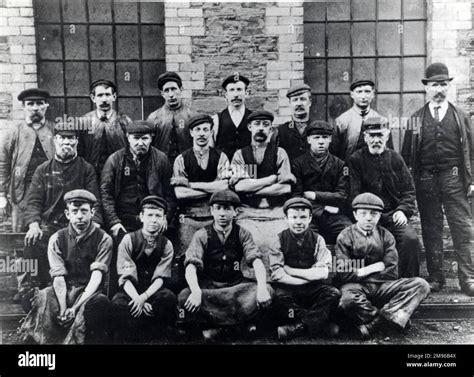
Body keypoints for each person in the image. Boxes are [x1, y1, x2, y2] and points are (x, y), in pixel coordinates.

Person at [402, 62, 474, 296]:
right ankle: (436, 278)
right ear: (427, 88)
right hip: (425, 180)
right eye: (435, 84)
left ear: (448, 86)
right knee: (431, 228)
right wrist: (409, 184)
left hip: (454, 178)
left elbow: (472, 151)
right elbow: (405, 156)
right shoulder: (416, 119)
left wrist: (472, 180)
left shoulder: (461, 117)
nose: (439, 89)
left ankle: (468, 278)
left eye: (443, 84)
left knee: (462, 227)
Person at [21, 125, 102, 303]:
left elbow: (94, 199)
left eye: (70, 138)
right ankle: (36, 287)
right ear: (55, 141)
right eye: (62, 138)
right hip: (51, 224)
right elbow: (33, 201)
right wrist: (33, 224)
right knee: (34, 241)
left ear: (76, 142)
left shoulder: (86, 169)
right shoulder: (43, 169)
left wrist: (95, 223)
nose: (66, 142)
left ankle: (83, 287)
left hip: (78, 223)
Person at [177, 189, 273, 340]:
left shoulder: (243, 233)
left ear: (236, 212)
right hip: (210, 288)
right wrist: (196, 292)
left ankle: (219, 330)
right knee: (185, 296)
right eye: (218, 208)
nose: (222, 213)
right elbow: (191, 266)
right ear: (211, 211)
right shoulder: (202, 234)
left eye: (227, 208)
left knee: (267, 289)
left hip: (236, 287)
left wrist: (261, 288)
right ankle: (239, 327)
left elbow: (256, 261)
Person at [19, 190, 112, 344]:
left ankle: (82, 338)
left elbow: (96, 277)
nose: (80, 216)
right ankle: (44, 337)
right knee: (30, 300)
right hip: (62, 290)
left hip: (88, 292)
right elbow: (58, 277)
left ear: (92, 213)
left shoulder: (104, 239)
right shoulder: (56, 238)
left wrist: (74, 308)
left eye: (84, 211)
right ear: (67, 214)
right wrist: (63, 308)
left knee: (100, 304)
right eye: (75, 211)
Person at [336, 193, 430, 339]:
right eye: (363, 213)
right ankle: (390, 318)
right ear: (355, 215)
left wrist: (359, 271)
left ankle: (375, 323)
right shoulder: (345, 236)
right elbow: (344, 272)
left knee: (421, 285)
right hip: (356, 286)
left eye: (373, 214)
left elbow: (391, 271)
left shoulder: (386, 236)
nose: (368, 218)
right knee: (347, 301)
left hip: (383, 286)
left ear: (379, 216)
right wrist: (375, 267)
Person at [348, 117, 421, 278]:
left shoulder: (396, 158)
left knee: (410, 240)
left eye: (380, 135)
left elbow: (409, 191)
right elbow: (354, 195)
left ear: (387, 136)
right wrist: (368, 216)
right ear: (365, 137)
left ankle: (409, 282)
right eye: (371, 136)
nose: (376, 140)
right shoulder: (356, 160)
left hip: (393, 215)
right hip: (368, 217)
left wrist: (402, 210)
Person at [0, 88, 55, 301]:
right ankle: (24, 286)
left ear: (46, 106)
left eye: (39, 103)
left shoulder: (55, 129)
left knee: (48, 237)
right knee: (22, 242)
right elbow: (3, 163)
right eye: (30, 104)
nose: (35, 108)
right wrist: (2, 195)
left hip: (50, 195)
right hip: (21, 196)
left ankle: (47, 284)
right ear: (23, 107)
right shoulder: (14, 132)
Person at [268, 197, 341, 341]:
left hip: (313, 289)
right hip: (289, 289)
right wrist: (303, 280)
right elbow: (277, 274)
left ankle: (298, 327)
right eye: (293, 217)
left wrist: (291, 270)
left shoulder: (318, 239)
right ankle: (318, 323)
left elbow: (322, 272)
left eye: (303, 217)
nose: (298, 222)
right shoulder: (277, 240)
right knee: (278, 299)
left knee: (332, 293)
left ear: (310, 218)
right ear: (286, 219)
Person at [111, 196, 177, 343]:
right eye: (149, 215)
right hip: (131, 291)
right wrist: (137, 298)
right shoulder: (129, 240)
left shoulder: (166, 244)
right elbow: (125, 276)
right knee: (118, 303)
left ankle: (158, 339)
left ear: (163, 218)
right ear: (141, 217)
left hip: (153, 291)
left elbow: (161, 277)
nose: (154, 220)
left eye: (158, 216)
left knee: (168, 298)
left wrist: (144, 297)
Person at [172, 114, 231, 277]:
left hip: (215, 217)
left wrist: (191, 184)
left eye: (206, 129)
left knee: (217, 259)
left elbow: (224, 187)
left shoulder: (221, 157)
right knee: (187, 260)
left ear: (211, 132)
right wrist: (211, 187)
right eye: (197, 129)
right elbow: (180, 193)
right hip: (189, 217)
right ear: (191, 133)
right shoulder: (181, 159)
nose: (202, 133)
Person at [100, 120, 175, 238]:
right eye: (136, 138)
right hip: (123, 219)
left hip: (152, 217)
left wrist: (166, 217)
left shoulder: (161, 159)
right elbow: (106, 194)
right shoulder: (115, 160)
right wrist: (113, 221)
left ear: (151, 138)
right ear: (128, 138)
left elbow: (170, 193)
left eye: (145, 138)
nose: (140, 143)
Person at [292, 120, 352, 244]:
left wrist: (314, 195)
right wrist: (324, 207)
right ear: (308, 140)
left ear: (330, 139)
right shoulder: (298, 164)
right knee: (305, 237)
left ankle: (343, 263)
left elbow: (342, 196)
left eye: (325, 137)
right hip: (308, 215)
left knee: (350, 233)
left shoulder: (340, 164)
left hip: (334, 216)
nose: (321, 141)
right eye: (316, 138)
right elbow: (297, 197)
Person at [231, 110, 295, 209]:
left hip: (276, 211)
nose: (261, 128)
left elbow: (285, 188)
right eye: (257, 124)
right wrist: (271, 179)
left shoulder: (280, 153)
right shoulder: (240, 155)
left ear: (271, 129)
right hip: (246, 210)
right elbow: (239, 187)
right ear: (249, 127)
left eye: (265, 125)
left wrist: (250, 190)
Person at [78, 79, 131, 175]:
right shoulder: (84, 122)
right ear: (93, 98)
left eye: (107, 95)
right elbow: (79, 152)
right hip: (92, 174)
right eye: (100, 95)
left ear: (114, 97)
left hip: (118, 173)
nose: (104, 99)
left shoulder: (124, 121)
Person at [331, 79, 392, 161]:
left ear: (373, 94)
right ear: (352, 94)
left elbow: (389, 153)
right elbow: (334, 154)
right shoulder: (341, 121)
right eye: (359, 92)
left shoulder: (382, 121)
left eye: (367, 91)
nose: (363, 96)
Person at [146, 72, 194, 165]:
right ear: (162, 93)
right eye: (167, 90)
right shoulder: (153, 118)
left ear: (181, 89)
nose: (171, 94)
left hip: (187, 165)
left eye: (174, 89)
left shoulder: (192, 116)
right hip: (161, 166)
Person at [211, 74, 253, 160]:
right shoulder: (216, 120)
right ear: (226, 94)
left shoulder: (254, 119)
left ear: (246, 93)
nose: (236, 94)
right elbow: (211, 151)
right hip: (224, 170)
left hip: (248, 169)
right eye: (232, 90)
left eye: (239, 89)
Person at [275, 84, 314, 163]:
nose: (299, 104)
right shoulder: (281, 131)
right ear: (290, 103)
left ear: (310, 102)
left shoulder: (318, 129)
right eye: (295, 100)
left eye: (302, 99)